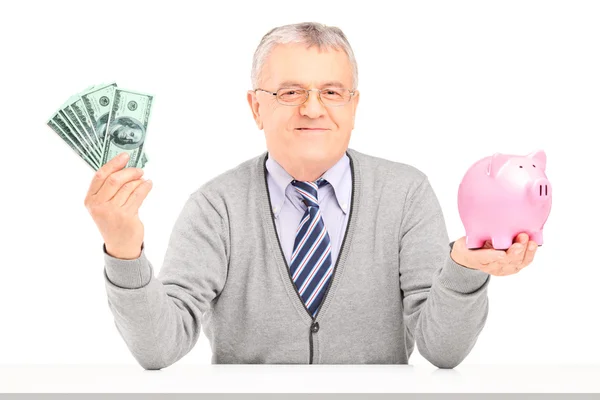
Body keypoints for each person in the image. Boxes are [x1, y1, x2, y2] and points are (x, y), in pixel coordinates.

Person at [84, 22, 538, 370]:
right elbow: (159, 348)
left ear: (354, 106)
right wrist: (123, 250)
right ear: (256, 107)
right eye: (290, 91)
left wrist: (464, 266)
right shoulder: (215, 206)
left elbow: (442, 351)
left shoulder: (405, 194)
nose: (313, 107)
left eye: (332, 92)